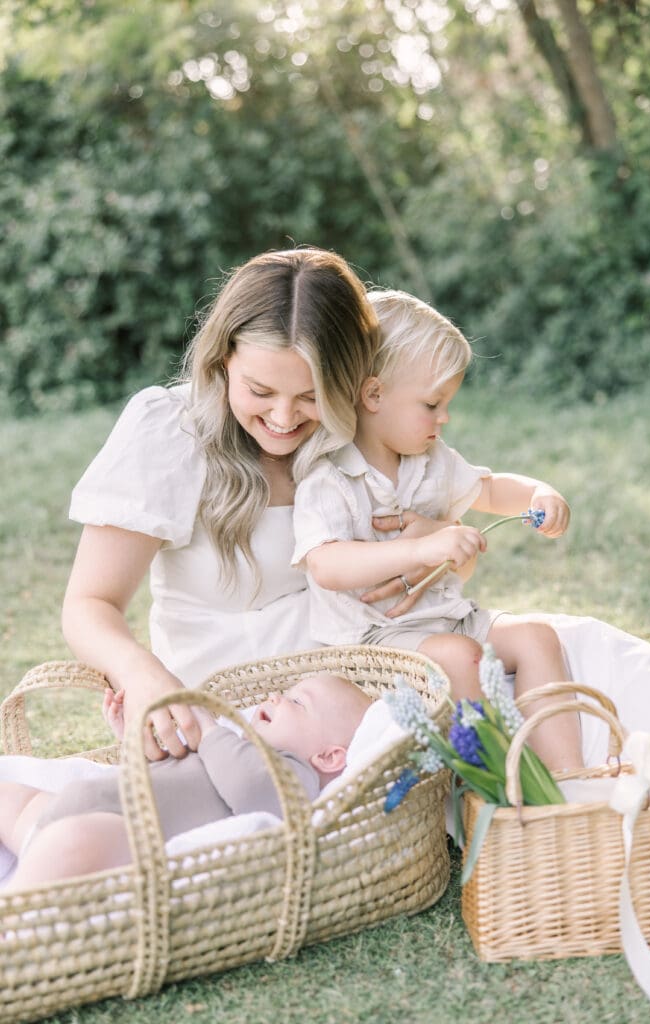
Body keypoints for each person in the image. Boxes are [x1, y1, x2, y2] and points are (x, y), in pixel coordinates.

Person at [59, 247, 383, 762]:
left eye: (310, 395)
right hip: (217, 734)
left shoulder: (357, 431)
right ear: (223, 359)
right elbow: (88, 606)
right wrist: (144, 676)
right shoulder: (171, 432)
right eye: (260, 389)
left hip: (346, 726)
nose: (283, 417)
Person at [292, 288, 583, 771]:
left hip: (447, 617)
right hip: (373, 643)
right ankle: (493, 788)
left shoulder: (432, 461)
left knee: (536, 636)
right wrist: (423, 548)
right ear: (374, 395)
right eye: (432, 403)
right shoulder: (331, 478)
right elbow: (326, 564)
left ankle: (566, 780)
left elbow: (490, 489)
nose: (444, 417)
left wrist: (539, 494)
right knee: (459, 655)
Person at [0, 673, 372, 891]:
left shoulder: (291, 774)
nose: (276, 696)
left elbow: (253, 790)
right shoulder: (234, 748)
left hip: (107, 837)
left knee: (73, 842)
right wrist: (130, 737)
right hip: (60, 808)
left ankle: (15, 912)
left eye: (296, 702)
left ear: (328, 756)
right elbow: (162, 773)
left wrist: (210, 727)